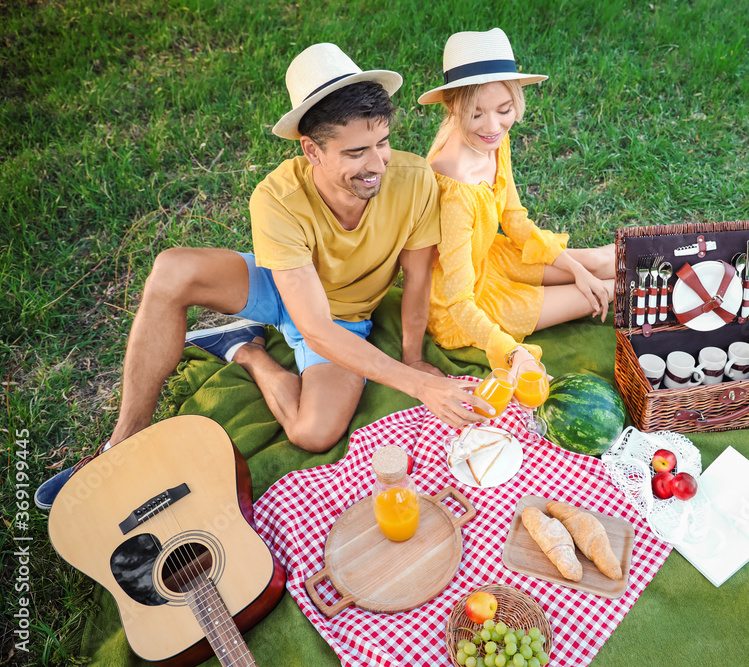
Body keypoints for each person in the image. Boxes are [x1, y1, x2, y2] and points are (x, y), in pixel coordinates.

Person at [35, 43, 491, 510]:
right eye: (356, 152)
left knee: (312, 433)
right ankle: (120, 448)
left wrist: (413, 359)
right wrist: (420, 387)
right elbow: (312, 325)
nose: (376, 164)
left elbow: (417, 280)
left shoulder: (414, 180)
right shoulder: (275, 198)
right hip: (285, 288)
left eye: (382, 142)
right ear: (311, 150)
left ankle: (244, 349)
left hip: (346, 316)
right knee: (172, 269)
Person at [417, 28, 615, 374]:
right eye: (476, 114)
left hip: (491, 257)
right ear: (451, 106)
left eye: (504, 109)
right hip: (463, 306)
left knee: (598, 262)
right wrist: (509, 351)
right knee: (599, 294)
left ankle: (690, 257)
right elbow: (459, 300)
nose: (493, 125)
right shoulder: (456, 189)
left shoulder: (492, 140)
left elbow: (515, 220)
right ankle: (688, 286)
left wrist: (576, 269)